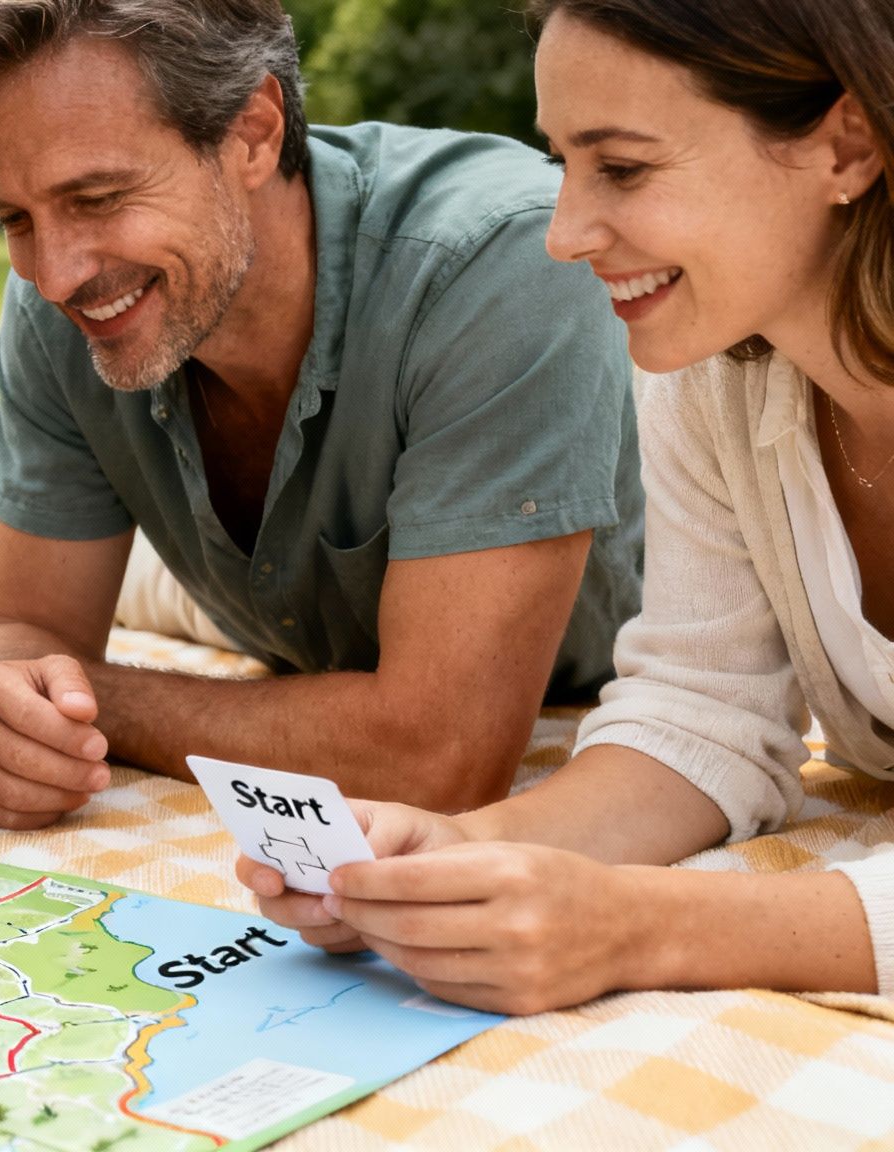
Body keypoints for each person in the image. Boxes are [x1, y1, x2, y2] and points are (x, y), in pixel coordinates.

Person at [243, 0, 894, 1012]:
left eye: (621, 168)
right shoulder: (709, 368)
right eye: (562, 165)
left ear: (843, 145)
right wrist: (465, 851)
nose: (562, 236)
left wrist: (635, 927)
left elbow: (644, 916)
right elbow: (702, 710)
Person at [0, 0, 645, 830]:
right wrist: (4, 709)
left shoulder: (504, 258)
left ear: (254, 132)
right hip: (261, 614)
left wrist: (93, 698)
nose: (54, 275)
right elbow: (22, 634)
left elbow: (440, 758)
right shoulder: (60, 308)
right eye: (14, 219)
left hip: (586, 670)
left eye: (100, 197)